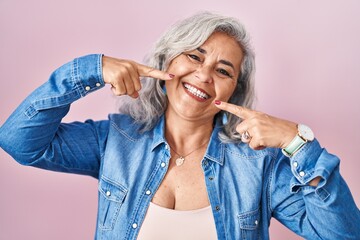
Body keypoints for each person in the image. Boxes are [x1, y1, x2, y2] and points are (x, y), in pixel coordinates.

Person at [0, 12, 359, 240]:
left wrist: (299, 143)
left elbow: (344, 235)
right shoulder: (115, 140)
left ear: (235, 89)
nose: (203, 75)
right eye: (194, 56)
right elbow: (18, 141)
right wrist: (90, 69)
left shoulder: (260, 165)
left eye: (223, 71)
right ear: (166, 61)